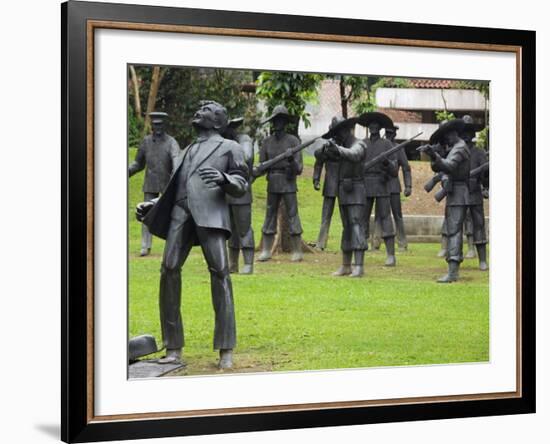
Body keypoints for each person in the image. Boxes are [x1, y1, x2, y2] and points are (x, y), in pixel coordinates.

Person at [136, 101, 249, 369]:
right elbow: (177, 186)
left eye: (207, 110)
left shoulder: (230, 147)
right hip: (180, 214)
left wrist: (225, 179)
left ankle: (225, 348)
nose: (199, 111)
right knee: (168, 270)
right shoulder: (187, 150)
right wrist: (153, 204)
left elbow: (242, 182)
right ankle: (173, 346)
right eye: (198, 109)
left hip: (210, 216)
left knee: (220, 273)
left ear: (219, 121)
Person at [423, 118, 475, 282]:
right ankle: (452, 269)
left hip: (459, 193)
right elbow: (439, 167)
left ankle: (453, 271)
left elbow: (449, 166)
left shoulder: (459, 149)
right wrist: (434, 155)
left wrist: (434, 155)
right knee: (453, 229)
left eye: (446, 137)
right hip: (455, 193)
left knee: (453, 231)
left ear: (452, 134)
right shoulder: (455, 147)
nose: (446, 140)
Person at [256, 105, 304, 262]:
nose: (278, 124)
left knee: (292, 214)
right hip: (273, 183)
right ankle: (266, 250)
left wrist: (290, 160)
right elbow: (261, 167)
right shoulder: (267, 142)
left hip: (288, 182)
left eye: (281, 120)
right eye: (276, 121)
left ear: (285, 122)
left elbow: (299, 169)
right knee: (269, 214)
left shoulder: (293, 141)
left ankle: (297, 250)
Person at [129, 111, 181, 256]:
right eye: (155, 125)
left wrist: (175, 179)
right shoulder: (146, 142)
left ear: (165, 125)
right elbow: (138, 163)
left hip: (167, 184)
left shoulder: (171, 142)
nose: (157, 128)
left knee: (170, 214)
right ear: (151, 125)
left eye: (160, 125)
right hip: (150, 182)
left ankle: (171, 244)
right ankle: (145, 245)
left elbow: (176, 161)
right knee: (146, 214)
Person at [321, 116, 368, 277]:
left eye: (338, 132)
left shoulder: (359, 144)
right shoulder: (340, 146)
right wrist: (327, 149)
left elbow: (354, 155)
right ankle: (346, 265)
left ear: (346, 130)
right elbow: (318, 155)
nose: (337, 136)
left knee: (356, 225)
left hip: (356, 190)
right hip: (343, 191)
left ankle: (359, 266)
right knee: (346, 227)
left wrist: (338, 150)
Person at [359, 112, 399, 266]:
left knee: (385, 218)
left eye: (376, 124)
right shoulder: (362, 144)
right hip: (365, 184)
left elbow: (395, 170)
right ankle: (360, 251)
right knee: (362, 218)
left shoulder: (387, 145)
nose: (373, 127)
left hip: (382, 184)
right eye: (371, 124)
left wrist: (386, 163)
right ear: (368, 127)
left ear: (380, 127)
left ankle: (390, 255)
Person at [221, 118, 255, 274]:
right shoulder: (223, 142)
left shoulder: (244, 140)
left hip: (241, 191)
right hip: (226, 191)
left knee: (244, 227)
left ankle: (248, 263)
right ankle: (232, 263)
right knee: (230, 229)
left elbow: (246, 158)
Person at [372, 125, 412, 251]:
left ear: (395, 134)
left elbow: (406, 168)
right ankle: (375, 242)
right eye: (387, 132)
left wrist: (408, 185)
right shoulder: (380, 146)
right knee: (379, 215)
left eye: (392, 133)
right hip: (381, 184)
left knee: (397, 215)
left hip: (394, 185)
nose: (389, 135)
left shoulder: (398, 148)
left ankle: (402, 242)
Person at [460, 115, 489, 270]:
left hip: (474, 192)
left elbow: (486, 175)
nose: (466, 135)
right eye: (463, 132)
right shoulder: (455, 151)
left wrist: (484, 178)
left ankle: (482, 259)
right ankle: (454, 259)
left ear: (473, 135)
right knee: (456, 225)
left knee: (479, 225)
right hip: (458, 192)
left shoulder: (479, 152)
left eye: (469, 132)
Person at [312, 135, 340, 250]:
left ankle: (349, 242)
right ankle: (321, 242)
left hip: (345, 183)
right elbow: (318, 162)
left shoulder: (347, 143)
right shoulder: (327, 146)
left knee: (347, 216)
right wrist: (316, 179)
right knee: (326, 215)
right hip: (330, 183)